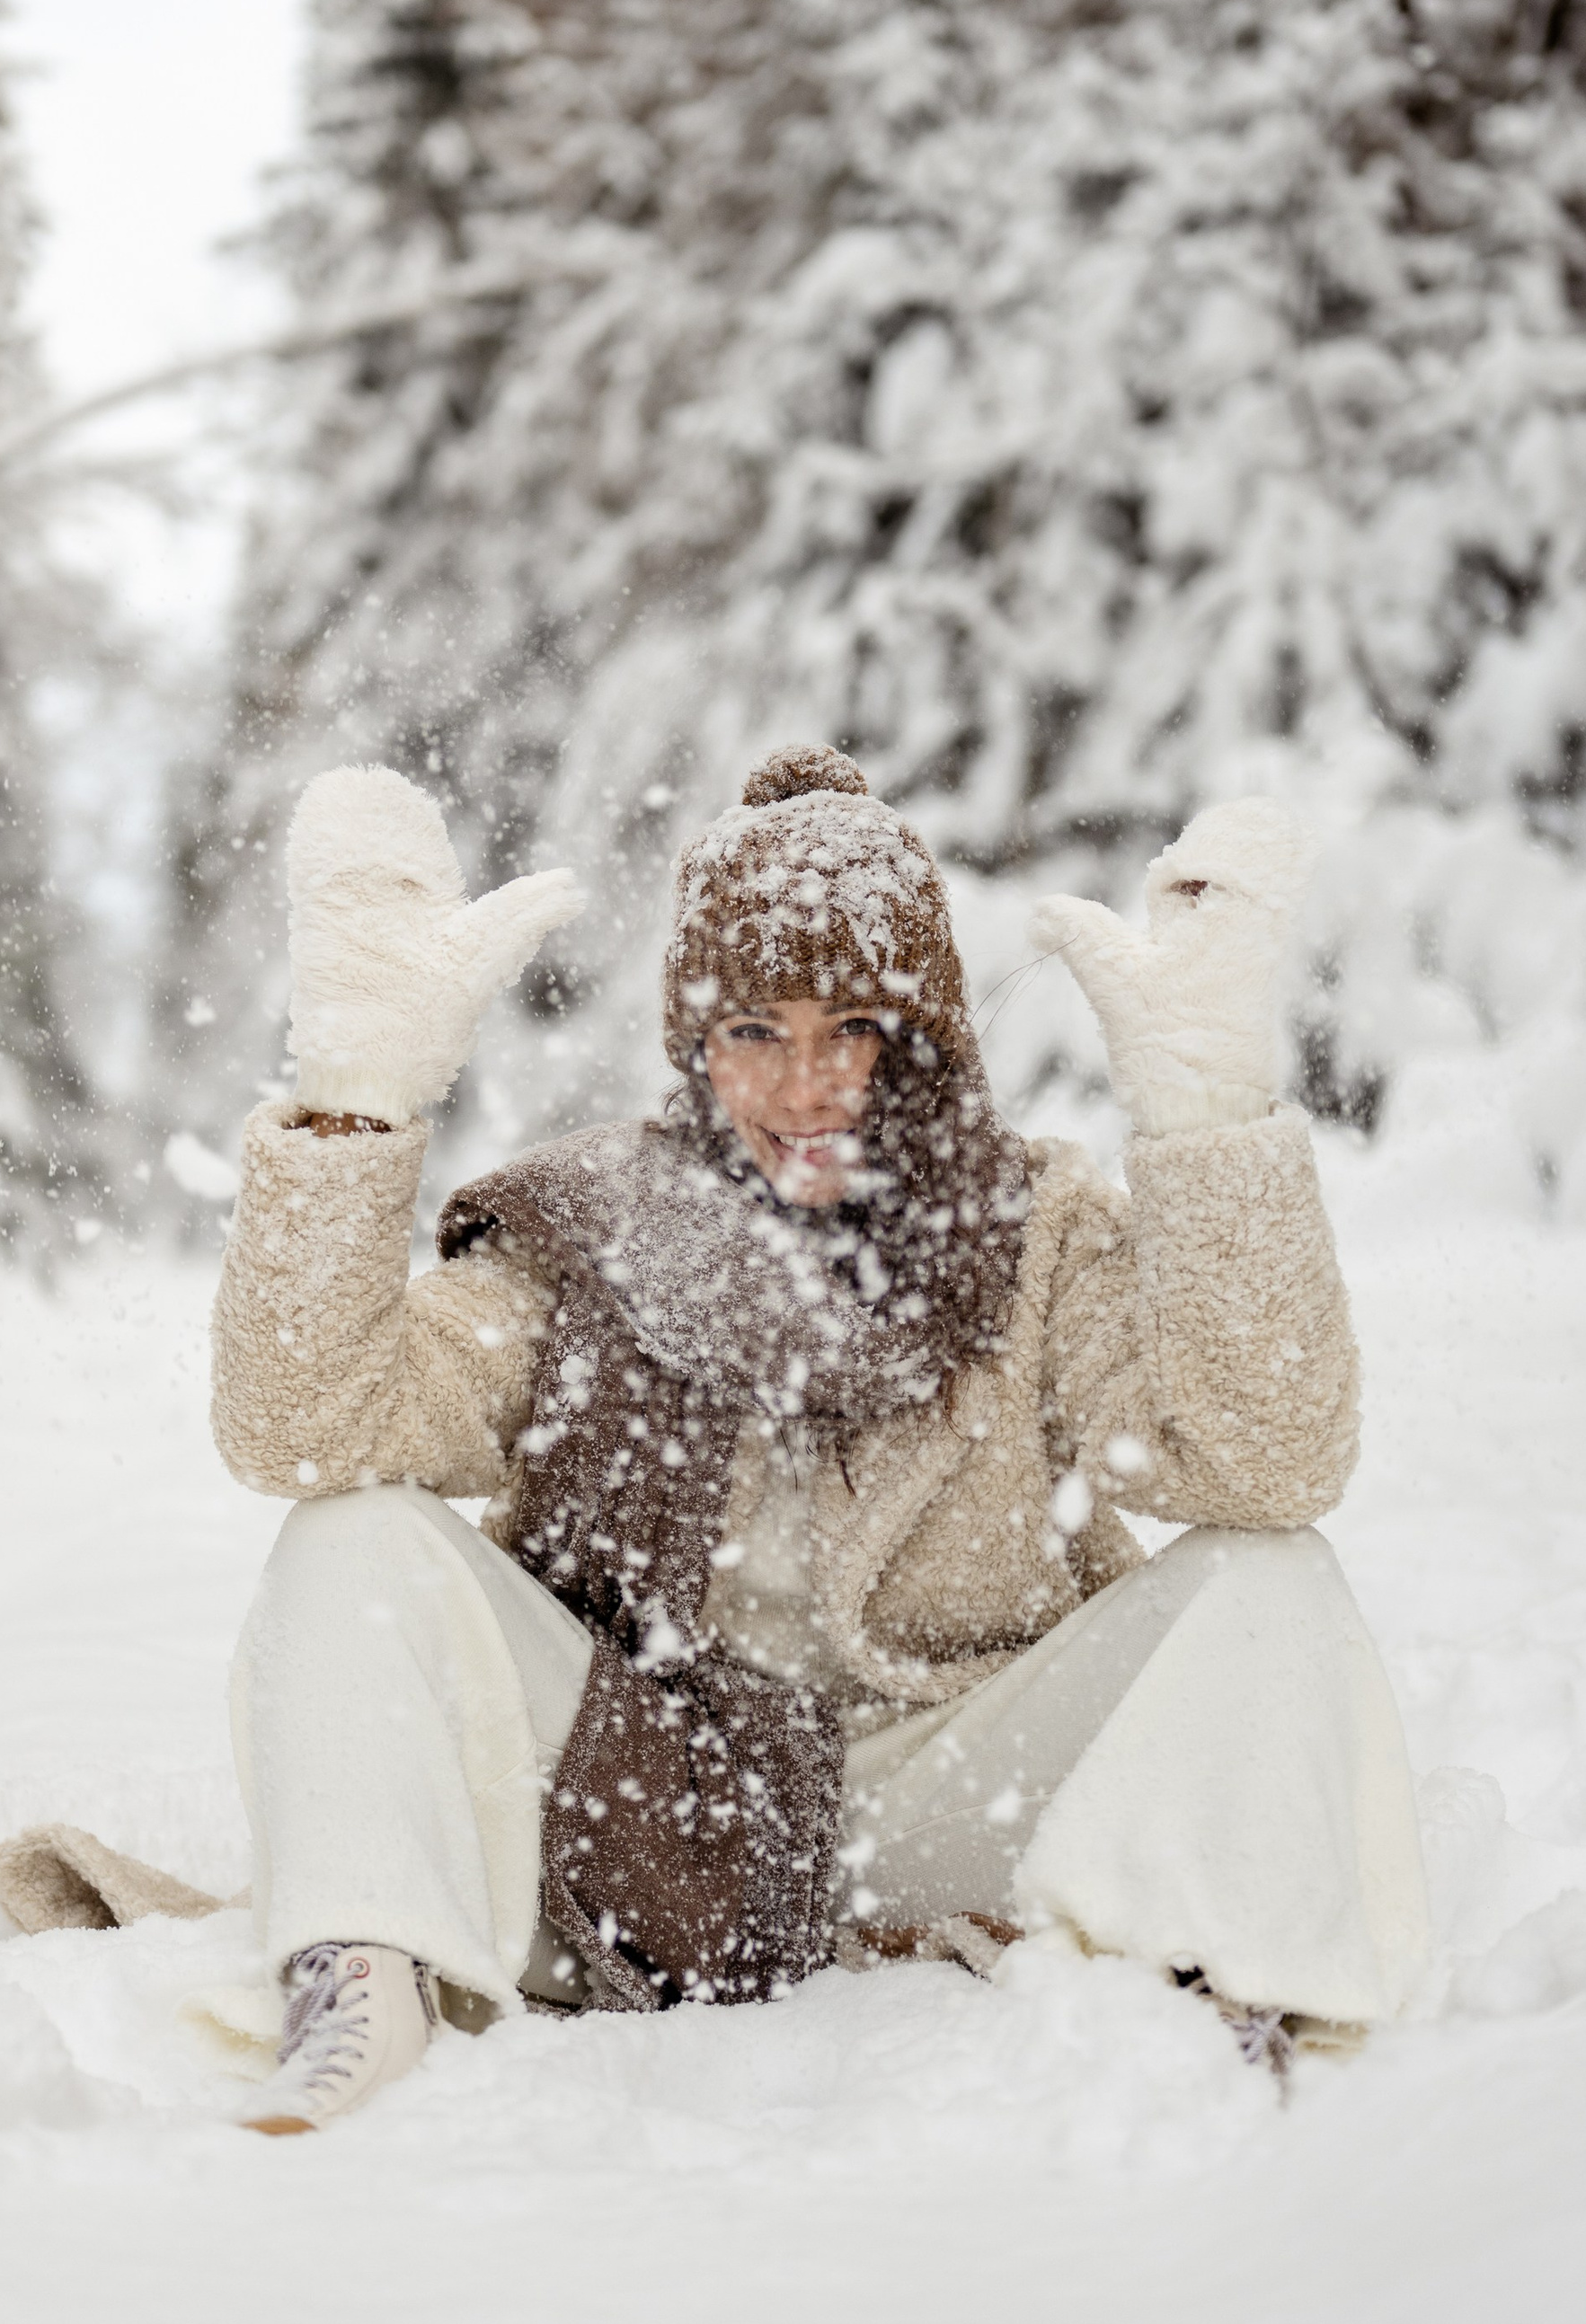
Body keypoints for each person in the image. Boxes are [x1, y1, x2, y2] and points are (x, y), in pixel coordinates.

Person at [210, 744, 1429, 2135]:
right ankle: (368, 1976)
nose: (810, 1089)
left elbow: (1267, 1465)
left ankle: (1226, 1996)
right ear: (694, 1044)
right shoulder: (600, 1234)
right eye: (756, 1033)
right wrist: (358, 1095)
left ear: (926, 1038)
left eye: (855, 1028)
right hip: (649, 1801)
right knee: (346, 1532)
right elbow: (304, 1428)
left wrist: (1209, 1120)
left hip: (958, 1802)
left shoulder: (1033, 1233)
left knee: (1273, 1576)